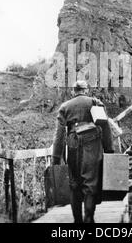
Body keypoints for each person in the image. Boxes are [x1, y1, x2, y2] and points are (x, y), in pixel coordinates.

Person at [52, 80, 114, 223]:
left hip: (73, 142)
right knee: (90, 183)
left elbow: (59, 134)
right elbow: (105, 127)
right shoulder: (95, 102)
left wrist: (56, 158)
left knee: (74, 184)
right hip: (92, 143)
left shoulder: (65, 107)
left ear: (73, 91)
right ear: (86, 90)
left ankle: (77, 221)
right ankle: (89, 218)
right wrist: (109, 150)